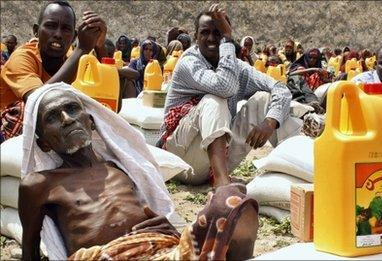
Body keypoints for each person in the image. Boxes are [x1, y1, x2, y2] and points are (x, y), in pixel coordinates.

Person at [19, 83, 259, 260]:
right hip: (105, 257)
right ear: (44, 144)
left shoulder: (120, 168)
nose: (67, 119)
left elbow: (150, 212)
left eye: (72, 109)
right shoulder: (40, 184)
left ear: (91, 121)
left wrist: (170, 230)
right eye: (53, 117)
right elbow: (30, 250)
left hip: (161, 250)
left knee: (233, 201)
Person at [158, 4, 301, 188]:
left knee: (265, 99)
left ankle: (296, 171)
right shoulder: (189, 62)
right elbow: (223, 86)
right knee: (214, 100)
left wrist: (270, 122)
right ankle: (222, 183)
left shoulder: (237, 67)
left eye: (217, 33)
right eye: (205, 33)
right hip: (180, 159)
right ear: (195, 37)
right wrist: (226, 38)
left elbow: (280, 88)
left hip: (215, 161)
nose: (211, 39)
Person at [0, 0, 106, 141]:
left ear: (74, 36)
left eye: (66, 29)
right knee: (23, 110)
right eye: (51, 26)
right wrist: (82, 49)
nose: (58, 34)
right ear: (36, 31)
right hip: (10, 133)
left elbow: (105, 93)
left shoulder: (73, 58)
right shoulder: (21, 57)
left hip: (51, 130)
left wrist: (99, 45)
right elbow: (40, 101)